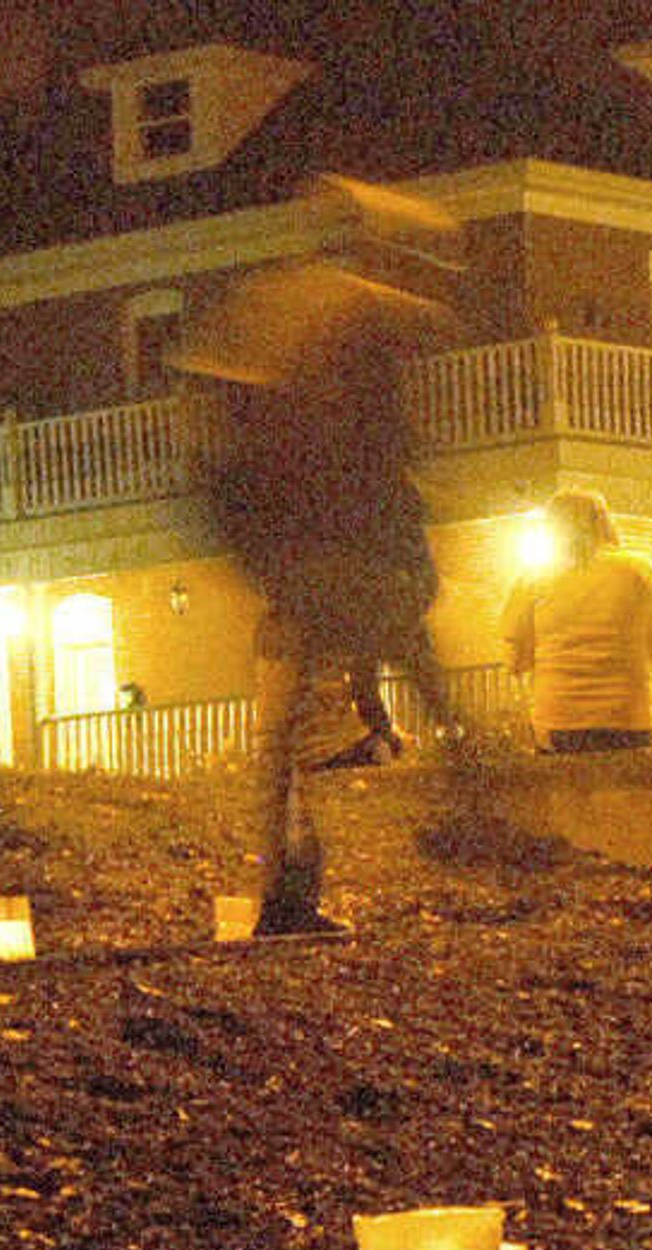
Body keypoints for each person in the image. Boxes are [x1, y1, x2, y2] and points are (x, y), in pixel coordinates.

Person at [171, 176, 462, 936]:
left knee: (285, 732)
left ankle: (286, 892)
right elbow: (377, 441)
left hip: (284, 544)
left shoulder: (277, 307)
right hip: (326, 541)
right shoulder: (354, 317)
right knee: (408, 656)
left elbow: (228, 429)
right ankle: (477, 811)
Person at [502, 486, 652, 753]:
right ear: (604, 522)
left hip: (558, 721)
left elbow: (516, 662)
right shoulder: (639, 572)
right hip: (628, 719)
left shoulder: (534, 579)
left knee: (566, 792)